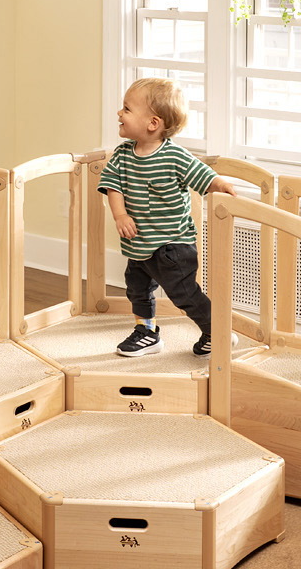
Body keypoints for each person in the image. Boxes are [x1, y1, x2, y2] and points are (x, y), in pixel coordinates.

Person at [97, 77, 237, 358]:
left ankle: (216, 331)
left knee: (183, 294)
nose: (119, 113)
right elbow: (113, 185)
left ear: (153, 123)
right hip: (140, 245)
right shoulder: (123, 156)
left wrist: (221, 185)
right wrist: (120, 215)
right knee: (137, 290)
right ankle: (147, 332)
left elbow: (203, 175)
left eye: (126, 108)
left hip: (173, 246)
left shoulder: (175, 156)